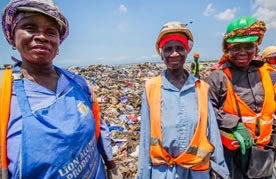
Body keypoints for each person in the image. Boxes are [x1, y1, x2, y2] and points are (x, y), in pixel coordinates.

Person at [0, 0, 122, 178]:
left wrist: (112, 167)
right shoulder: (4, 91)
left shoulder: (79, 84)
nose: (42, 37)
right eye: (30, 27)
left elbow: (99, 128)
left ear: (59, 42)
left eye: (50, 31)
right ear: (12, 35)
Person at [137, 21, 229, 179]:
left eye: (179, 48)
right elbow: (145, 140)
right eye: (168, 49)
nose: (174, 54)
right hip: (163, 173)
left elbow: (212, 134)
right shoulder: (151, 88)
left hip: (197, 172)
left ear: (187, 51)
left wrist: (221, 171)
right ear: (161, 54)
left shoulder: (201, 88)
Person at [207, 16, 276, 179]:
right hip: (233, 155)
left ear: (256, 49)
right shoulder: (218, 78)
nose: (243, 52)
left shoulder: (266, 75)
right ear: (227, 49)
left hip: (264, 151)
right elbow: (206, 111)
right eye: (236, 47)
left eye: (248, 46)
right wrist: (235, 125)